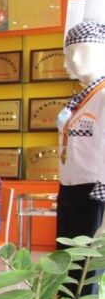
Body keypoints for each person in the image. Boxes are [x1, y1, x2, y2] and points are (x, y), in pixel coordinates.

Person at [58, 21, 105, 246]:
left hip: (93, 194)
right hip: (69, 192)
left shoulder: (102, 97)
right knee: (65, 260)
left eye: (82, 50)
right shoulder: (79, 101)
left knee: (85, 263)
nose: (74, 59)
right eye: (69, 53)